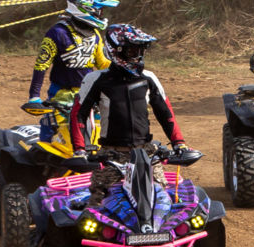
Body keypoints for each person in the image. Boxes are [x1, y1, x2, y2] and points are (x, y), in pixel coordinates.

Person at [70, 24, 189, 204]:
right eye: (132, 50)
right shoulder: (97, 79)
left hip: (146, 153)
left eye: (140, 50)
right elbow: (78, 114)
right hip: (111, 155)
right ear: (115, 50)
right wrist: (80, 150)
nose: (137, 55)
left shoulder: (148, 78)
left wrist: (179, 143)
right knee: (98, 203)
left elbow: (166, 114)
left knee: (161, 200)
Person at [26, 0, 119, 121]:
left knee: (100, 129)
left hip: (88, 93)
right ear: (85, 9)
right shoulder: (57, 33)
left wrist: (123, 70)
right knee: (55, 128)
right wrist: (34, 96)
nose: (101, 15)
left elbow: (102, 63)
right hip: (61, 95)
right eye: (99, 11)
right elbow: (42, 64)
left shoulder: (95, 34)